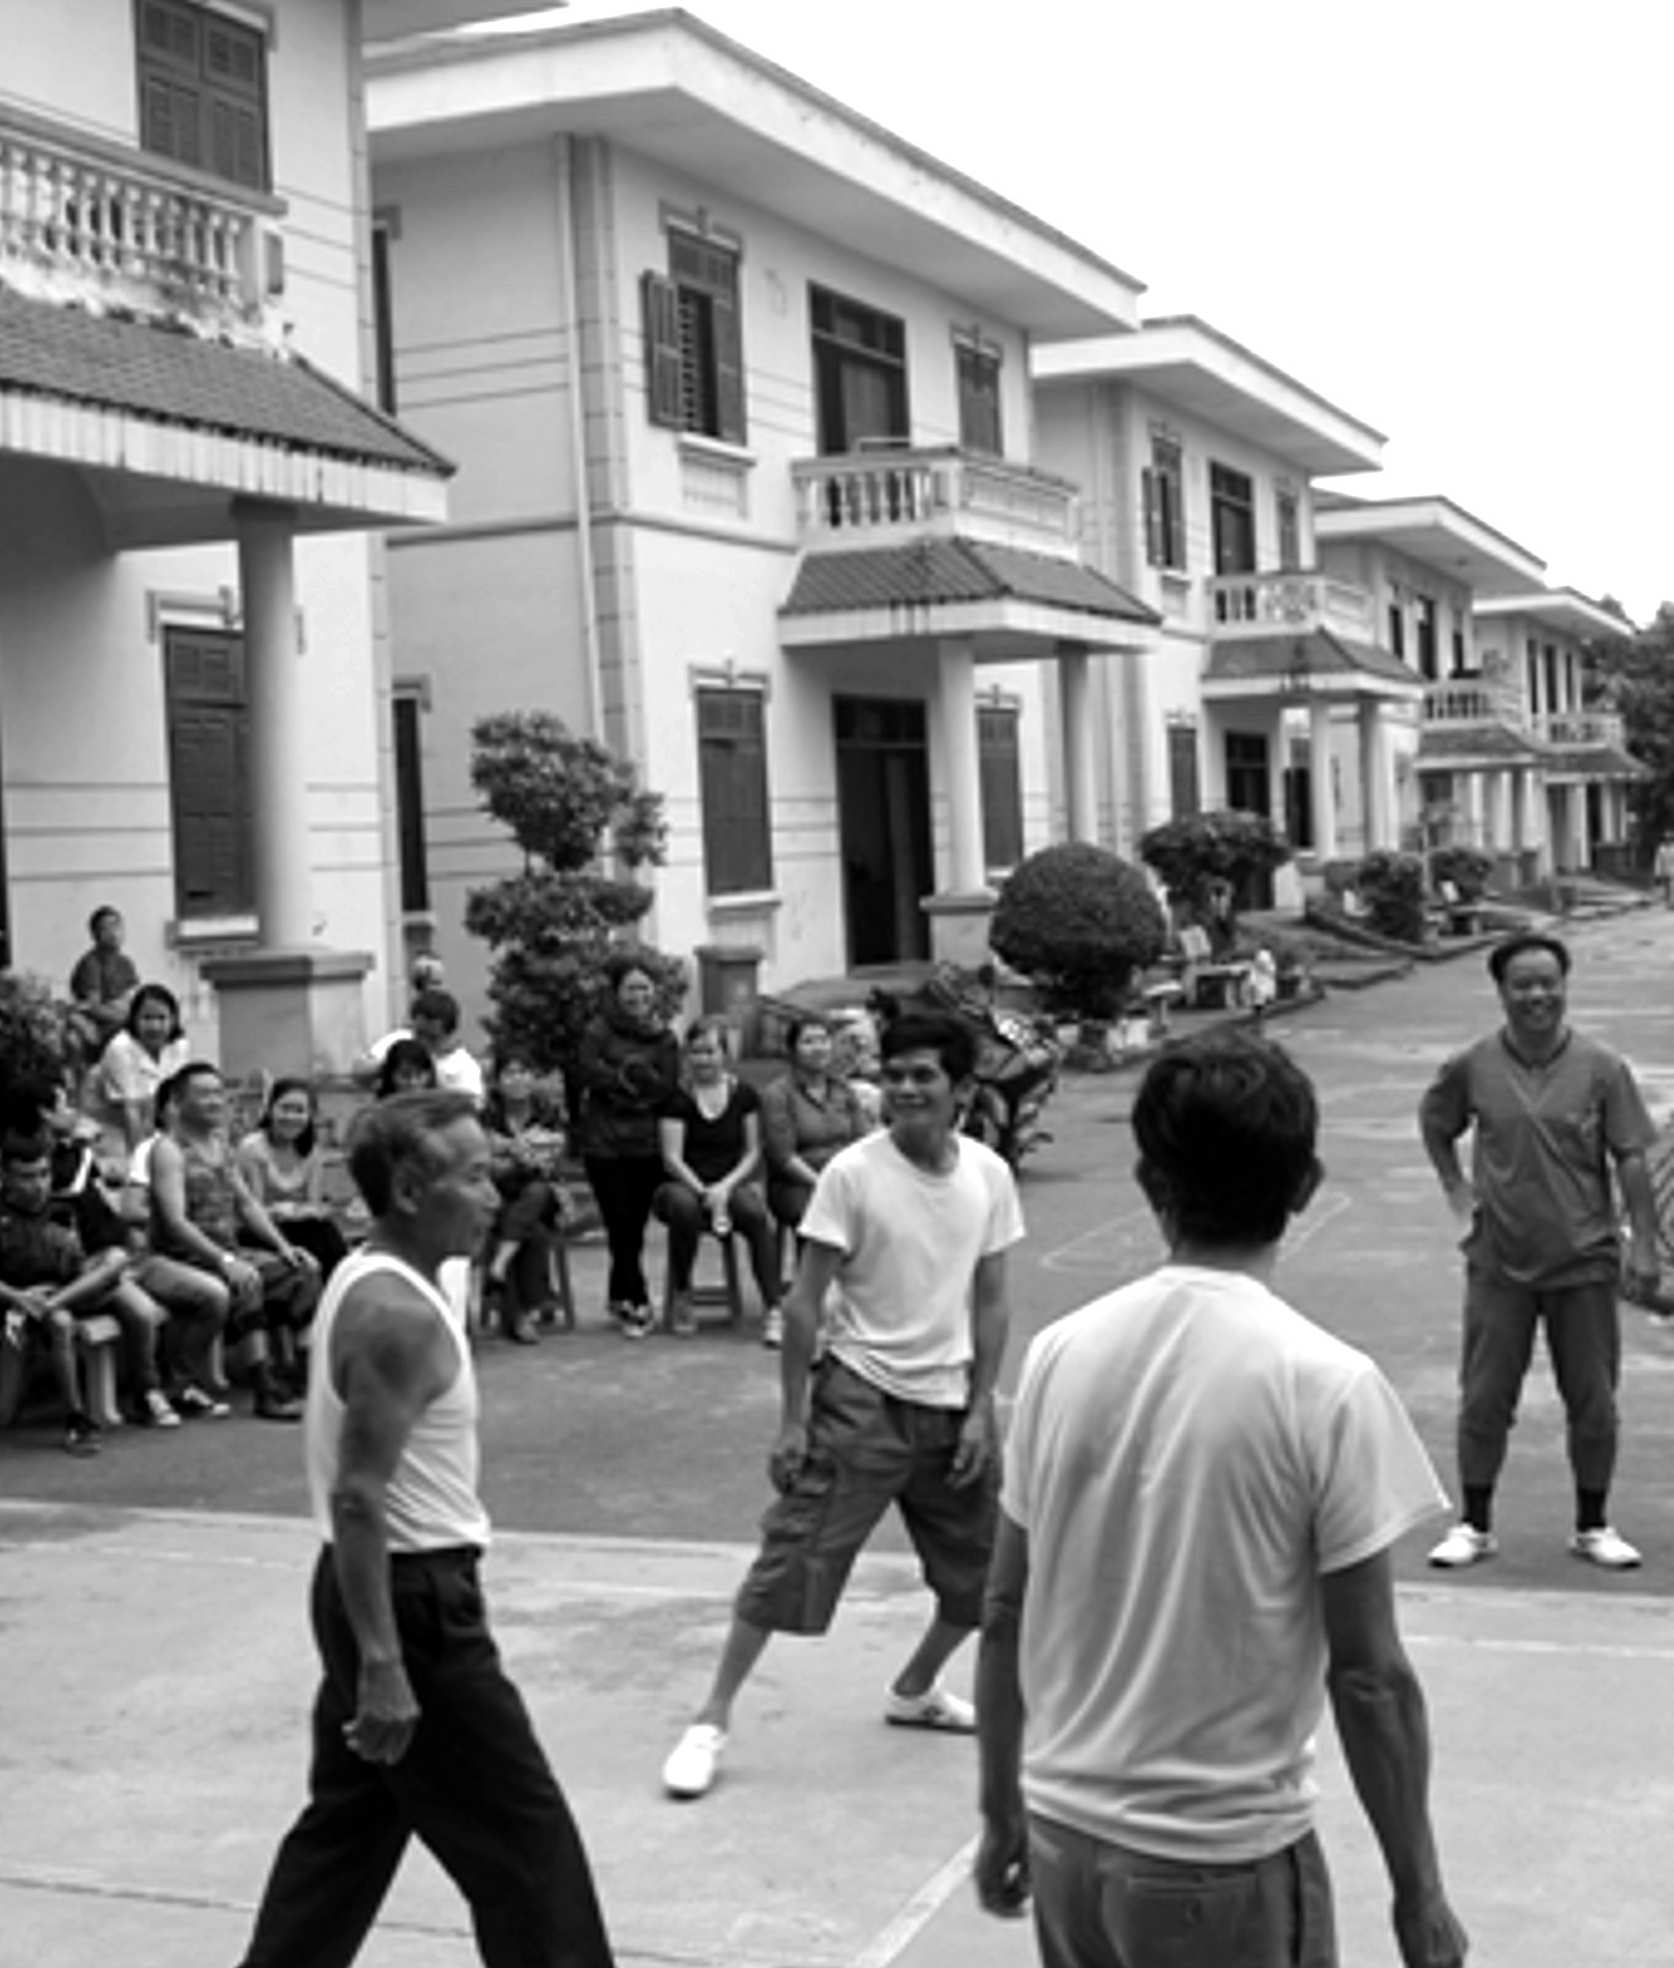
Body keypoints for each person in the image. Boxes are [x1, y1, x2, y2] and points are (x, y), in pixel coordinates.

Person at [976, 1030, 1468, 1968]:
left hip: (1065, 1840)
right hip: (1216, 1862)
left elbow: (1004, 1611)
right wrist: (1420, 1895)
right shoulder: (1325, 1383)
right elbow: (1369, 1677)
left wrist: (1001, 1808)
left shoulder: (1059, 1355)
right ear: (1306, 1186)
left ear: (1152, 1186)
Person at [233, 1090, 616, 1968]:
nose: (494, 1194)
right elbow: (361, 1498)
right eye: (475, 1176)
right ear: (409, 1191)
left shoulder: (389, 1274)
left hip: (370, 1590)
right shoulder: (396, 1318)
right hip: (411, 1607)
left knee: (347, 1837)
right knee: (529, 1857)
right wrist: (383, 1662)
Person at [660, 1010, 1024, 1802]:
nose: (904, 1089)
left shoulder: (989, 1177)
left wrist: (981, 1407)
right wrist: (792, 1417)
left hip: (952, 1399)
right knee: (789, 1563)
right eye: (893, 1075)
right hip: (860, 1398)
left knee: (987, 1579)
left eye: (923, 1075)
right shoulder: (853, 1175)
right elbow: (803, 1303)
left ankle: (917, 1688)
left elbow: (992, 1300)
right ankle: (710, 1720)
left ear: (961, 1088)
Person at [1419, 930, 1660, 1570]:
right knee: (1484, 1397)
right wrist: (1457, 1191)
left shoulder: (1601, 1067)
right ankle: (1474, 1523)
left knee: (1594, 1401)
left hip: (1584, 1259)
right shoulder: (1473, 1066)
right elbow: (1437, 1124)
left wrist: (1647, 1247)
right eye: (1523, 984)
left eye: (1548, 983)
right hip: (1500, 1260)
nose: (1537, 996)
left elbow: (1630, 1156)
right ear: (1500, 992)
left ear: (1564, 987)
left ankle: (1592, 1523)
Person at [150, 1062, 322, 1422]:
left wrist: (283, 1247)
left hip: (228, 1249)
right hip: (184, 1257)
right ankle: (264, 1388)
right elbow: (175, 1222)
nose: (215, 1101)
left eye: (218, 1092)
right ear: (179, 1101)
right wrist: (225, 1262)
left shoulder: (220, 1145)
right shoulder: (169, 1150)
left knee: (301, 1271)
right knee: (248, 1282)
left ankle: (303, 1372)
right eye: (204, 1094)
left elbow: (246, 1203)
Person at [0, 1130, 178, 1451]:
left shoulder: (68, 1205)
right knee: (61, 1323)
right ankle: (76, 1416)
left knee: (127, 1281)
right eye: (26, 1177)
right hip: (24, 1299)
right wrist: (17, 1297)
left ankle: (146, 1393)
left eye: (43, 1174)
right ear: (5, 1178)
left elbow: (111, 1249)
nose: (38, 1184)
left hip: (71, 1289)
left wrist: (77, 1275)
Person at [654, 1016, 783, 1344]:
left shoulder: (744, 1096)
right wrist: (705, 1192)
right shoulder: (677, 1098)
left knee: (755, 1215)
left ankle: (774, 1308)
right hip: (684, 1183)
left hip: (731, 1181)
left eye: (711, 1051)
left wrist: (724, 1188)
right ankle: (682, 1292)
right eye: (696, 1052)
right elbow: (672, 1158)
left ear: (724, 1054)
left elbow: (753, 1152)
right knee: (685, 1208)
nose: (703, 1059)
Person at [576, 956, 681, 1338]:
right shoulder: (597, 1031)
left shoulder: (665, 1037)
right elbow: (590, 1073)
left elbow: (666, 1085)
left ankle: (619, 1294)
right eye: (630, 988)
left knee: (633, 1227)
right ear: (616, 993)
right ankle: (638, 1301)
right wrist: (630, 1080)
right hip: (603, 1143)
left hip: (647, 1143)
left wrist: (627, 1084)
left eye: (644, 988)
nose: (638, 996)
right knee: (618, 1221)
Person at [481, 1051, 570, 1344]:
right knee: (531, 1232)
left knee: (537, 1191)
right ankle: (522, 1314)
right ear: (497, 1081)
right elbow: (485, 1166)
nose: (516, 1079)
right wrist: (519, 1156)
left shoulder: (549, 1113)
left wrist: (507, 1149)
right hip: (501, 1199)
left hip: (543, 1200)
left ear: (533, 1079)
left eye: (523, 1072)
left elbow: (550, 1163)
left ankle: (499, 1267)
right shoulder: (487, 1117)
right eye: (509, 1073)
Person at [759, 1014, 871, 1240]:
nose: (818, 1048)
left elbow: (863, 1142)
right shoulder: (778, 1094)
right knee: (821, 1218)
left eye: (823, 1040)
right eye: (808, 1042)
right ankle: (813, 1275)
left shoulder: (843, 1090)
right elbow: (783, 1156)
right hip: (798, 1183)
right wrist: (822, 1184)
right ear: (792, 1050)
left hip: (844, 1178)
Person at [237, 1078, 351, 1281]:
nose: (291, 1117)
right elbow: (252, 1207)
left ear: (309, 1116)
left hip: (300, 1226)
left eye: (299, 1110)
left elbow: (313, 1205)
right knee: (320, 1238)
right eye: (285, 1108)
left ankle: (338, 1288)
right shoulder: (252, 1148)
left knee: (324, 1232)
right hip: (261, 1230)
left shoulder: (312, 1152)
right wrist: (290, 1210)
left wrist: (293, 1211)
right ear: (270, 1110)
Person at [93, 981, 190, 1158]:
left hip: (158, 1126)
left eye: (161, 1018)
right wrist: (140, 1161)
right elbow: (131, 1110)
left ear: (173, 1019)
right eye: (147, 1018)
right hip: (116, 1130)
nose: (154, 1026)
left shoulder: (179, 1045)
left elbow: (178, 1099)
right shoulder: (121, 1048)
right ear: (134, 1019)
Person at [354, 989, 484, 1105]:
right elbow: (359, 1074)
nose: (422, 1042)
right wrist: (392, 1064)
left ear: (449, 1034)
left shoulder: (465, 1068)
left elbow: (470, 1109)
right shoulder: (399, 1039)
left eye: (432, 1037)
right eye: (419, 1033)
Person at [67, 904, 139, 1066]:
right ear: (95, 935)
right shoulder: (90, 964)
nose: (114, 933)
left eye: (117, 926)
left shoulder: (126, 963)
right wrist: (127, 1016)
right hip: (101, 1029)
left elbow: (132, 998)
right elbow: (93, 1007)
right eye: (106, 928)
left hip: (122, 1020)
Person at [373, 1039, 439, 1101]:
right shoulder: (377, 1108)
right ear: (390, 1075)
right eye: (405, 1075)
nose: (413, 1082)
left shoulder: (442, 1105)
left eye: (419, 1075)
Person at [1654, 832, 1674, 908]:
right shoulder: (1661, 849)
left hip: (1673, 871)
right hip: (1664, 871)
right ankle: (1668, 902)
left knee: (1672, 886)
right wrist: (1657, 873)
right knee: (1666, 887)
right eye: (1666, 839)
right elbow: (1658, 861)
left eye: (1669, 839)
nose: (1667, 840)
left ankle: (1672, 903)